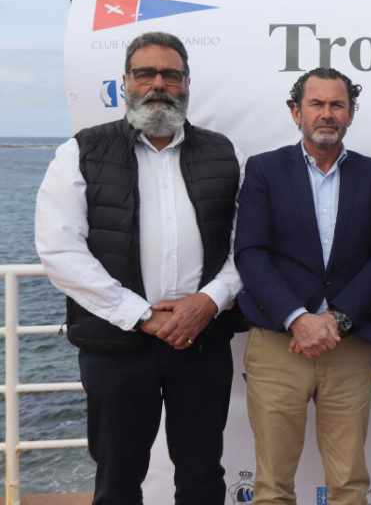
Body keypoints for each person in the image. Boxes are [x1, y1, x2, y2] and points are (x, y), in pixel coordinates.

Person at [35, 31, 243, 504]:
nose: (158, 84)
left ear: (187, 83)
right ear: (125, 82)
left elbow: (243, 246)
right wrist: (143, 315)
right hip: (116, 346)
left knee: (201, 475)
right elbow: (60, 251)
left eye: (170, 74)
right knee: (118, 479)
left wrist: (207, 302)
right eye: (145, 73)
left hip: (201, 342)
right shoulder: (82, 152)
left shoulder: (221, 153)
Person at [235, 67, 371, 505]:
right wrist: (298, 318)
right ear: (296, 112)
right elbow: (250, 252)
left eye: (337, 105)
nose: (326, 114)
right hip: (278, 344)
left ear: (350, 114)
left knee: (348, 482)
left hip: (348, 343)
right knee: (272, 485)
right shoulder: (264, 170)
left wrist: (337, 318)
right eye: (316, 104)